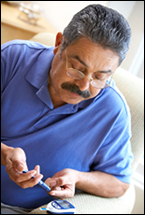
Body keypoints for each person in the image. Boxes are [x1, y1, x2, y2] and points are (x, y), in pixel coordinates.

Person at [1, 4, 133, 213]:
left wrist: (77, 177)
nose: (83, 86)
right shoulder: (11, 58)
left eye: (99, 77)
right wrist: (5, 153)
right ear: (59, 44)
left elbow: (119, 183)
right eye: (78, 69)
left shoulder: (112, 111)